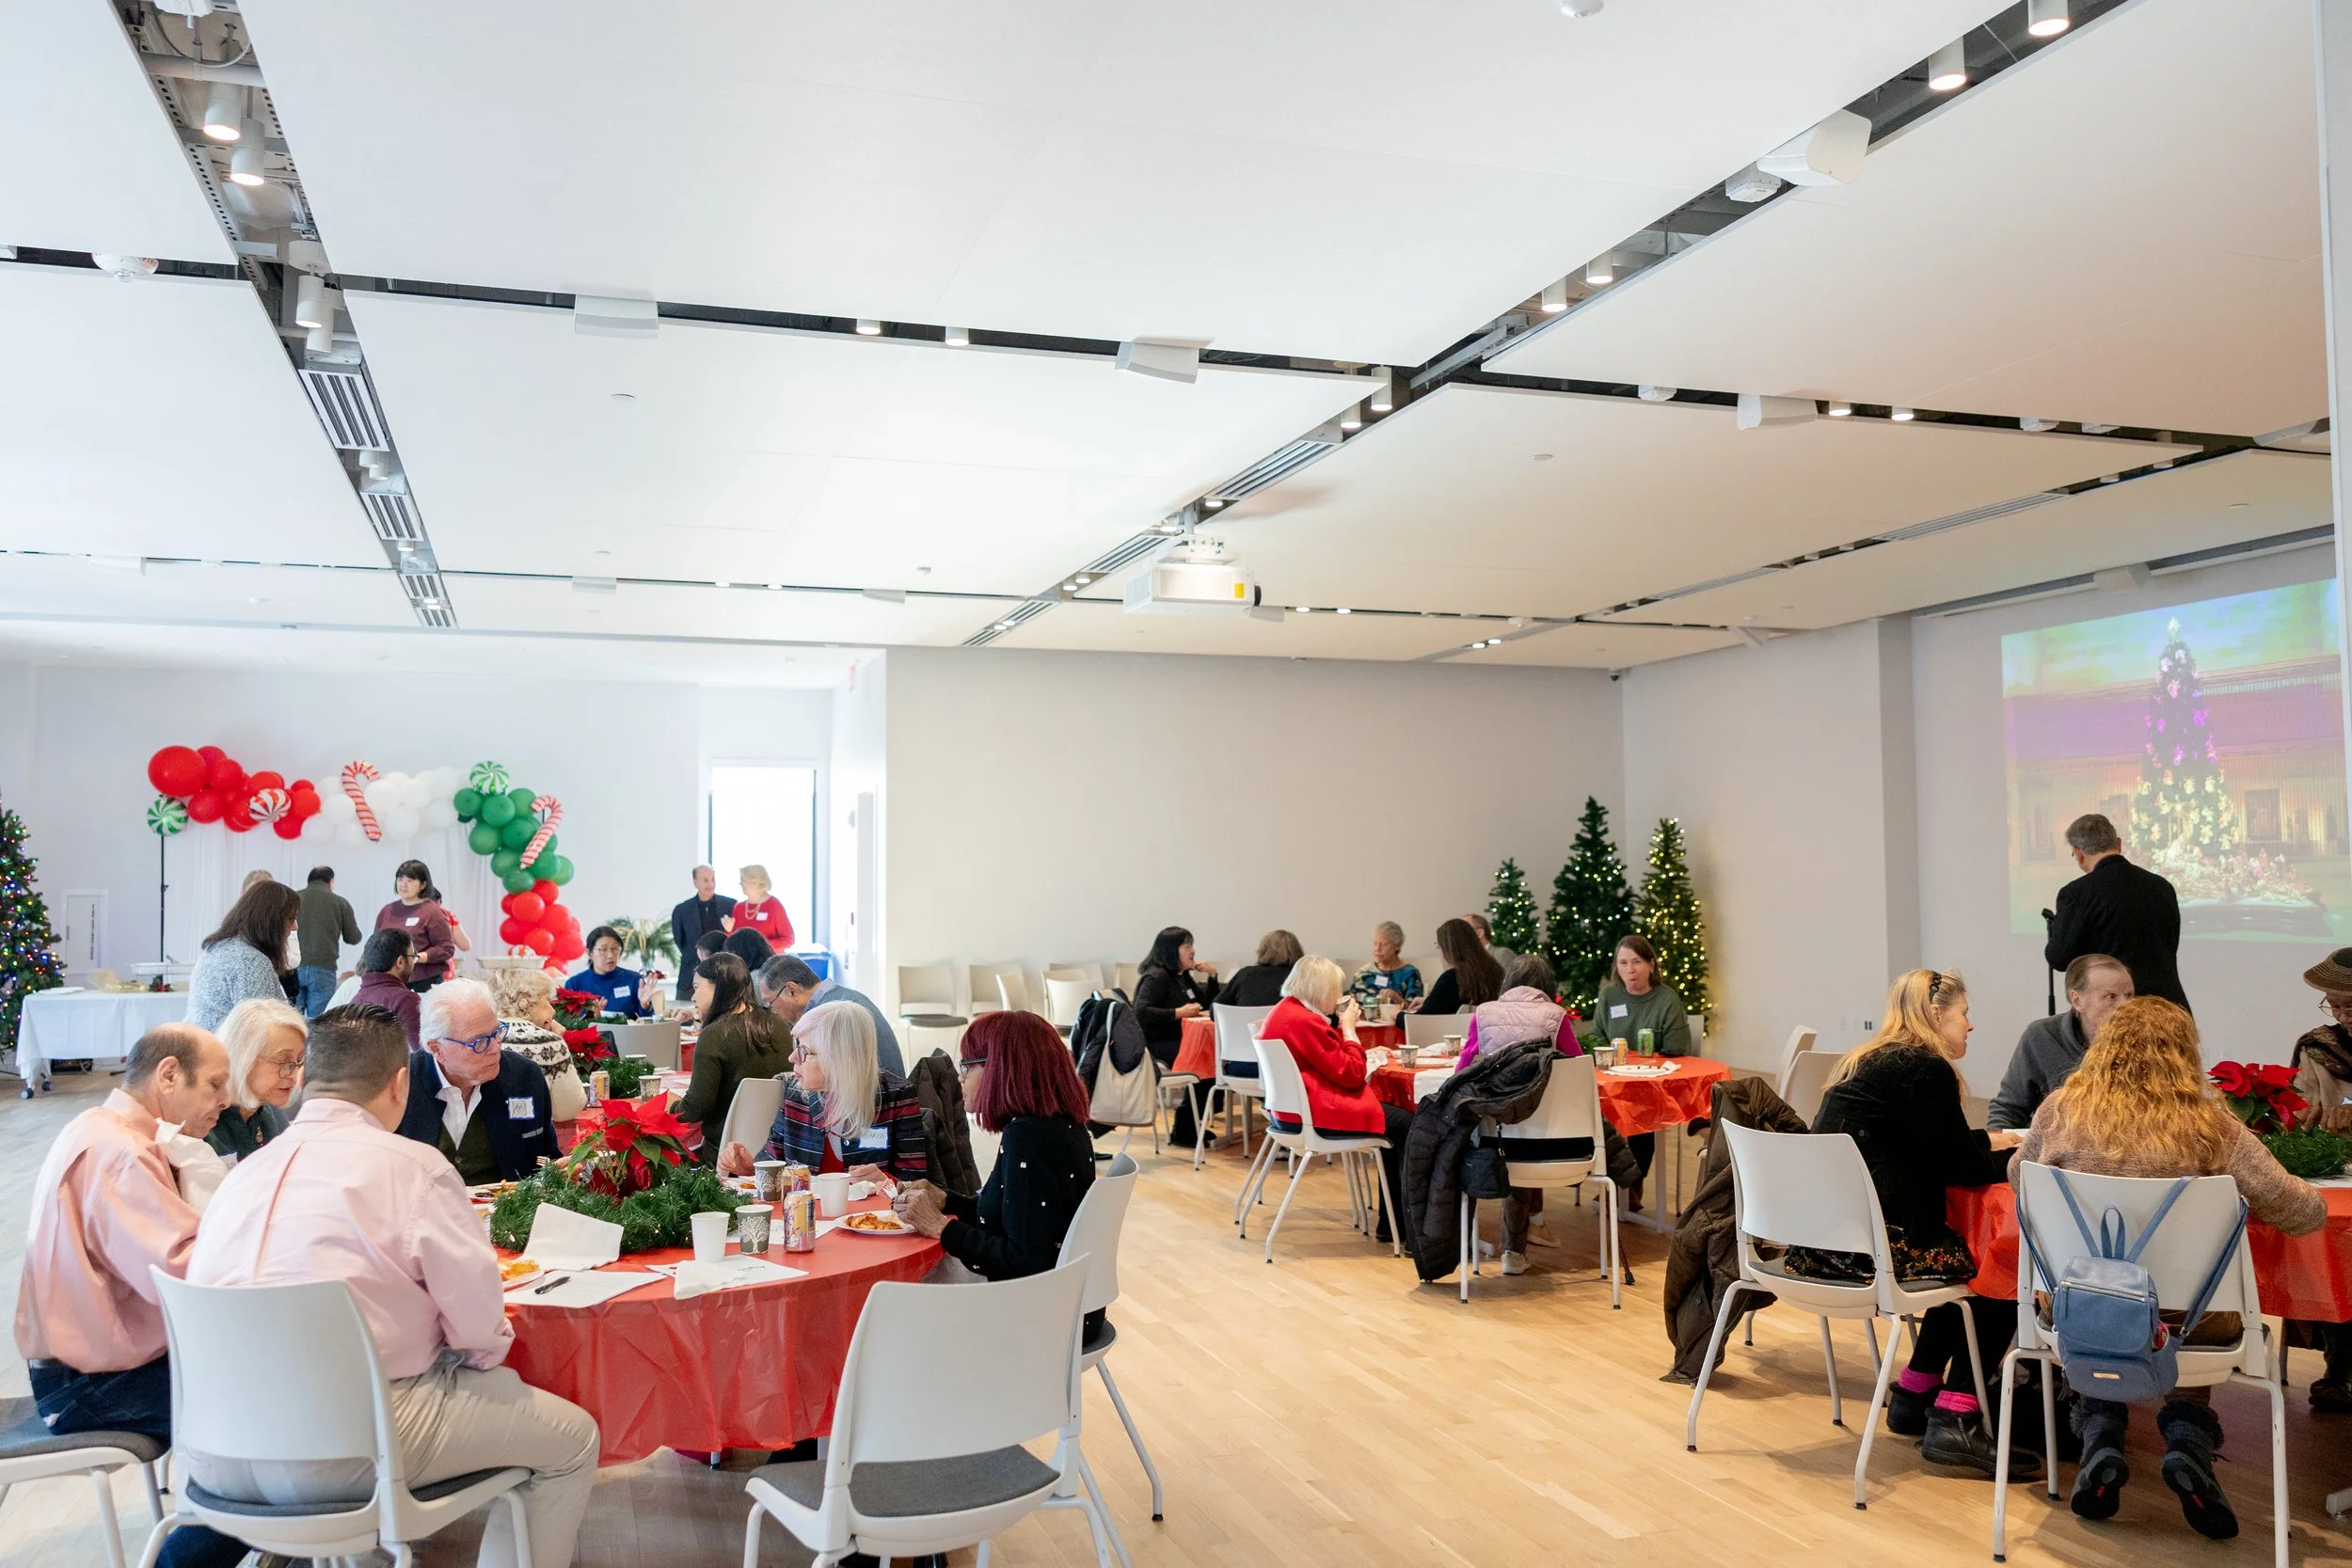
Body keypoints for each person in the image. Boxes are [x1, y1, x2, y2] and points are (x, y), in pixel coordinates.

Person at [185, 1004, 599, 1568]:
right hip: (352, 1446)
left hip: (217, 1447)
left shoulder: (240, 1175)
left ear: (306, 1078)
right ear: (400, 1083)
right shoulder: (415, 1169)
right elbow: (479, 1332)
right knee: (573, 1441)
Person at [2015, 996, 2322, 1536]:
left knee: (2102, 1299)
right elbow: (2302, 1213)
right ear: (2186, 1055)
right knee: (2187, 1308)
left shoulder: (2058, 1112)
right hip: (2188, 1325)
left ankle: (2101, 1434)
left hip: (2073, 1312)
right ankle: (2187, 1444)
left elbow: (2021, 1180)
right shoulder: (2212, 1128)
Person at [15, 1023, 245, 1568]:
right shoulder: (120, 1152)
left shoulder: (101, 1128)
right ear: (169, 1075)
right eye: (214, 1084)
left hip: (90, 1371)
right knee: (273, 1430)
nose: (225, 1099)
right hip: (90, 1387)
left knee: (272, 1403)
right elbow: (187, 1276)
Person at [1788, 970, 2032, 1480]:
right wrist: (2024, 1158)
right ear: (1936, 1014)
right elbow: (1960, 1167)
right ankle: (1957, 1416)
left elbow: (1924, 1143)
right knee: (1999, 1268)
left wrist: (1988, 1140)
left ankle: (1915, 1394)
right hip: (1878, 1251)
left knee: (1960, 1257)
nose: (1971, 1025)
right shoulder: (1925, 1068)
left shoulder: (1871, 1059)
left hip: (1822, 1244)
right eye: (1964, 1014)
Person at [896, 1010, 1097, 1316]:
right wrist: (947, 1200)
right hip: (1066, 1301)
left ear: (998, 1068)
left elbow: (1022, 1261)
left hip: (1035, 1315)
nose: (960, 1076)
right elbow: (1016, 1216)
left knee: (900, 1297)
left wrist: (940, 1227)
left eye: (967, 1065)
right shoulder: (1061, 1125)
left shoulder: (1028, 1137)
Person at [1260, 955, 1414, 1244]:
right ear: (1321, 990)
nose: (1339, 995)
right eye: (1335, 989)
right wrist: (1349, 1027)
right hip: (1314, 1113)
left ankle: (1393, 1223)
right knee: (1407, 1124)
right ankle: (1408, 1227)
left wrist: (1359, 1051)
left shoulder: (1287, 1011)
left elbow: (1330, 1059)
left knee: (1396, 1124)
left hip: (1290, 1111)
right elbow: (1352, 1074)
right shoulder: (1305, 1021)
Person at [1456, 953, 1582, 1275]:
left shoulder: (1483, 1014)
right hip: (1548, 1141)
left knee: (1506, 1135)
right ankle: (1516, 1249)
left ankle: (1478, 1242)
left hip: (1494, 1142)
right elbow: (1578, 1071)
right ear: (1547, 986)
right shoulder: (1557, 1017)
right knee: (1527, 1130)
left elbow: (1463, 1072)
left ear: (1508, 983)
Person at [718, 1001, 928, 1184]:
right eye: (796, 1046)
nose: (792, 1058)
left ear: (839, 1058)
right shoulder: (796, 1093)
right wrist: (750, 1169)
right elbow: (773, 1162)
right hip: (803, 1213)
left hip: (868, 1215)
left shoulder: (896, 1096)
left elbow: (916, 1184)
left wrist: (886, 1181)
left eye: (804, 1051)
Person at [394, 978, 558, 1183]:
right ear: (436, 1049)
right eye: (479, 1042)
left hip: (510, 1203)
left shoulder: (524, 1077)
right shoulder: (400, 1085)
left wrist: (561, 1172)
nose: (495, 1048)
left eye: (496, 1033)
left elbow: (547, 1159)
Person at [1580, 933, 1691, 1205]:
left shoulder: (1667, 1000)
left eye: (1637, 961)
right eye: (1623, 963)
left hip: (1650, 1084)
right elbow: (1596, 1037)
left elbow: (1678, 1046)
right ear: (1616, 968)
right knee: (1597, 1115)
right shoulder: (1610, 997)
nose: (1630, 969)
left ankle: (1630, 1185)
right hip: (1611, 1082)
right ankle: (1615, 1183)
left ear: (1651, 964)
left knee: (1641, 1115)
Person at [2044, 812, 2187, 1010]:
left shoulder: (2077, 893)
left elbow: (2059, 958)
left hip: (2117, 1011)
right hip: (2168, 1009)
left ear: (2078, 853)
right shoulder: (2162, 886)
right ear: (2119, 844)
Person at [1986, 954, 2134, 1131]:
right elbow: (2008, 1110)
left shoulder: (2145, 1039)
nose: (2126, 1006)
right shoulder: (2042, 1035)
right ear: (2077, 1000)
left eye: (2129, 995)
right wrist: (1997, 1143)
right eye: (2111, 996)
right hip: (2060, 1143)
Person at [675, 953, 793, 1163]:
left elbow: (696, 1109)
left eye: (696, 987)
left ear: (718, 987)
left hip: (724, 1156)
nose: (693, 997)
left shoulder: (714, 1034)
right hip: (777, 1150)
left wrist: (670, 1106)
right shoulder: (779, 1024)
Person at [1134, 927, 1221, 1146]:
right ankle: (1184, 1130)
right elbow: (1141, 1011)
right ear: (1172, 950)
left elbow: (1207, 1004)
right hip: (1157, 1044)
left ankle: (1189, 1126)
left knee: (1209, 1059)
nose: (1193, 951)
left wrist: (1212, 977)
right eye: (1187, 946)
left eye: (1192, 945)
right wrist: (1178, 1013)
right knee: (1203, 1062)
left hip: (1181, 1041)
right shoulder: (1156, 976)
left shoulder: (1181, 977)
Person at [755, 952, 903, 1076]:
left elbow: (827, 1084)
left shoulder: (829, 1014)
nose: (772, 1011)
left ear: (792, 991)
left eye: (770, 1003)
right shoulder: (845, 997)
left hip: (878, 1098)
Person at [184, 879, 302, 1033]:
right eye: (291, 918)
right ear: (272, 921)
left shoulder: (219, 948)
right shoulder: (250, 961)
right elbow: (263, 1030)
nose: (295, 926)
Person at [206, 996, 305, 1162]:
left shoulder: (266, 1112)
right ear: (244, 1059)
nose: (295, 1076)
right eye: (283, 1061)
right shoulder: (202, 1121)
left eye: (299, 1061)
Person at [489, 965, 587, 1121]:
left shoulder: (482, 1035)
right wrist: (556, 1042)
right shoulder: (548, 1042)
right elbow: (568, 1110)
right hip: (529, 1133)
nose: (553, 1010)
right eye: (547, 999)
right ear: (528, 1001)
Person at [292, 864, 362, 1018]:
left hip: (293, 967)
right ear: (331, 882)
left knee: (292, 1017)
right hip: (323, 967)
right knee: (320, 1021)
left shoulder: (293, 899)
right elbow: (353, 938)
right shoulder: (340, 902)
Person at [374, 859, 455, 991]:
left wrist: (415, 958)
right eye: (400, 879)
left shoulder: (433, 912)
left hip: (423, 981)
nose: (403, 885)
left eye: (410, 881)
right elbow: (376, 944)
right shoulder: (387, 910)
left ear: (423, 885)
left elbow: (446, 949)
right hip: (390, 980)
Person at [670, 864, 736, 1002]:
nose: (710, 884)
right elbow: (680, 941)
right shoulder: (682, 910)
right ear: (695, 882)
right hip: (690, 975)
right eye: (705, 880)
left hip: (723, 974)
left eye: (712, 879)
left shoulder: (730, 905)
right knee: (685, 1012)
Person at [354, 926, 423, 1050]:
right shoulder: (405, 1000)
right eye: (413, 957)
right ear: (400, 962)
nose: (414, 963)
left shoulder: (356, 999)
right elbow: (422, 1054)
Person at [1419, 917, 1505, 1017]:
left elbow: (1421, 1019)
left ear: (1447, 948)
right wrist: (1429, 1001)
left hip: (1452, 1027)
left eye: (1438, 946)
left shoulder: (1451, 978)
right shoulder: (1496, 971)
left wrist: (1400, 1011)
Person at [565, 925, 651, 1020]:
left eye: (614, 949)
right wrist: (590, 1016)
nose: (610, 955)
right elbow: (566, 1023)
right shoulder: (574, 984)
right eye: (603, 950)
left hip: (628, 1029)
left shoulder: (634, 980)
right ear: (589, 953)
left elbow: (649, 1022)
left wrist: (645, 1006)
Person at [1348, 921, 1423, 1010]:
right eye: (1375, 943)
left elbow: (1415, 1011)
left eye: (1383, 944)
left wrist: (1396, 998)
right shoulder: (1363, 974)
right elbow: (1351, 1005)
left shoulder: (1410, 973)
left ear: (1397, 946)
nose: (1377, 949)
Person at [1219, 929, 1303, 1008]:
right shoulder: (1302, 977)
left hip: (1246, 1019)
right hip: (1286, 1019)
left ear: (1263, 951)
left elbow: (1217, 1007)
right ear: (1297, 952)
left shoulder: (1245, 974)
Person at [725, 863, 795, 948]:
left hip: (768, 956)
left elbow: (788, 939)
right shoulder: (739, 908)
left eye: (743, 880)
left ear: (754, 882)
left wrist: (761, 946)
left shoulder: (774, 906)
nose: (740, 883)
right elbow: (733, 942)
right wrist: (728, 931)